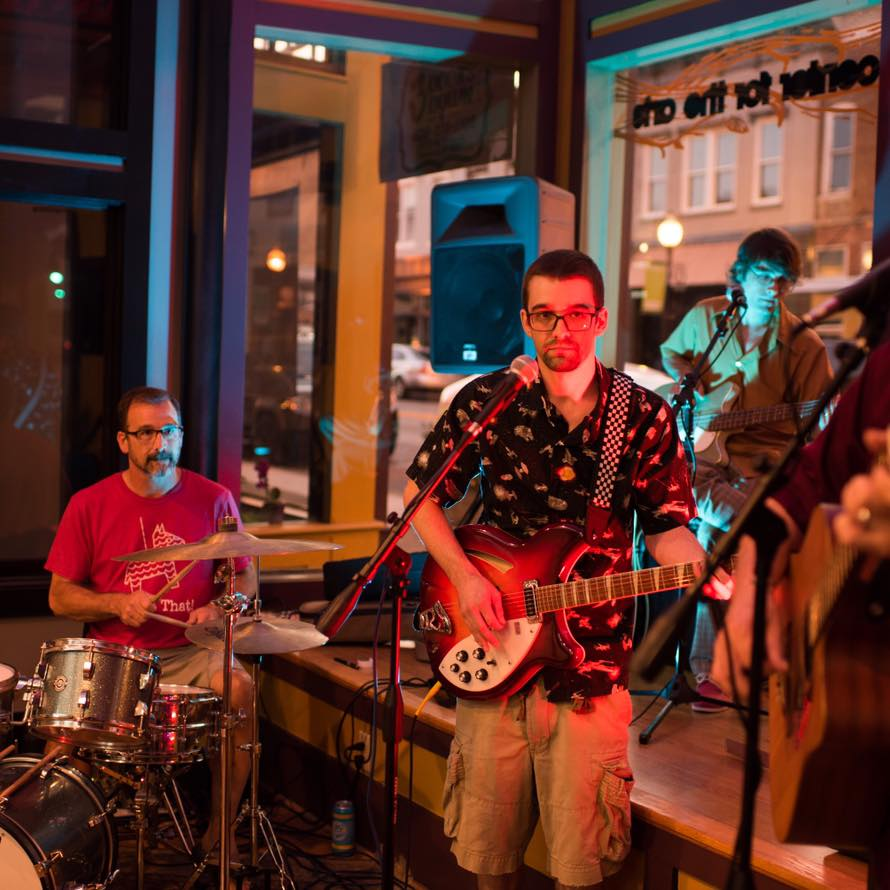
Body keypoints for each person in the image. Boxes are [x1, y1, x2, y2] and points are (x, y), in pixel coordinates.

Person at [404, 249, 727, 889]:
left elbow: (667, 532)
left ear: (600, 319)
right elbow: (422, 497)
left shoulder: (643, 415)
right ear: (527, 320)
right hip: (492, 643)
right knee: (488, 861)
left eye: (577, 314)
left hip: (590, 666)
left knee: (581, 867)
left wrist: (704, 571)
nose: (562, 330)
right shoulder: (489, 401)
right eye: (546, 315)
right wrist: (466, 579)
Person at [45, 386, 256, 861]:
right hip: (116, 655)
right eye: (145, 433)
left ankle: (221, 833)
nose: (160, 444)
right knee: (60, 740)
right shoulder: (89, 504)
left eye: (169, 431)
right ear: (123, 440)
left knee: (241, 689)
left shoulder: (215, 499)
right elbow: (60, 597)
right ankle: (60, 849)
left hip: (192, 650)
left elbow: (244, 576)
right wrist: (117, 604)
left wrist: (220, 607)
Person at [659, 227, 832, 709]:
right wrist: (688, 381)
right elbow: (672, 352)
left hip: (764, 468)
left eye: (782, 279)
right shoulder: (708, 316)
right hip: (706, 458)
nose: (772, 288)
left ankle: (711, 670)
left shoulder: (805, 345)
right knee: (683, 487)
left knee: (713, 539)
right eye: (762, 275)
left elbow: (819, 427)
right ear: (741, 273)